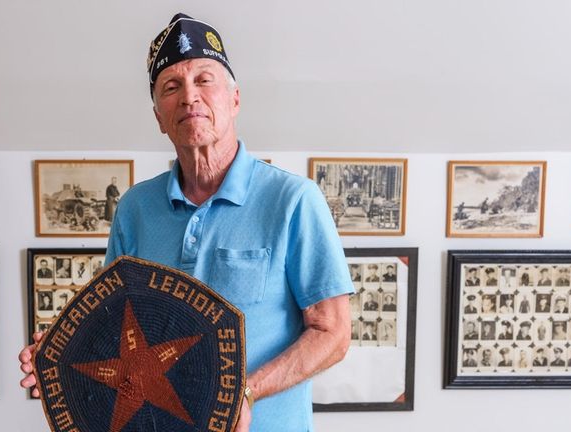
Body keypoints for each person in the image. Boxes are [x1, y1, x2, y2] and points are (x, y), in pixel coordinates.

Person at [19, 13, 353, 431]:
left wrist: (245, 392)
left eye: (204, 80)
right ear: (159, 116)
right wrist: (62, 353)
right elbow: (114, 326)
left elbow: (333, 334)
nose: (189, 97)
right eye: (171, 87)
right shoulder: (135, 209)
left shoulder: (293, 200)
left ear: (234, 99)